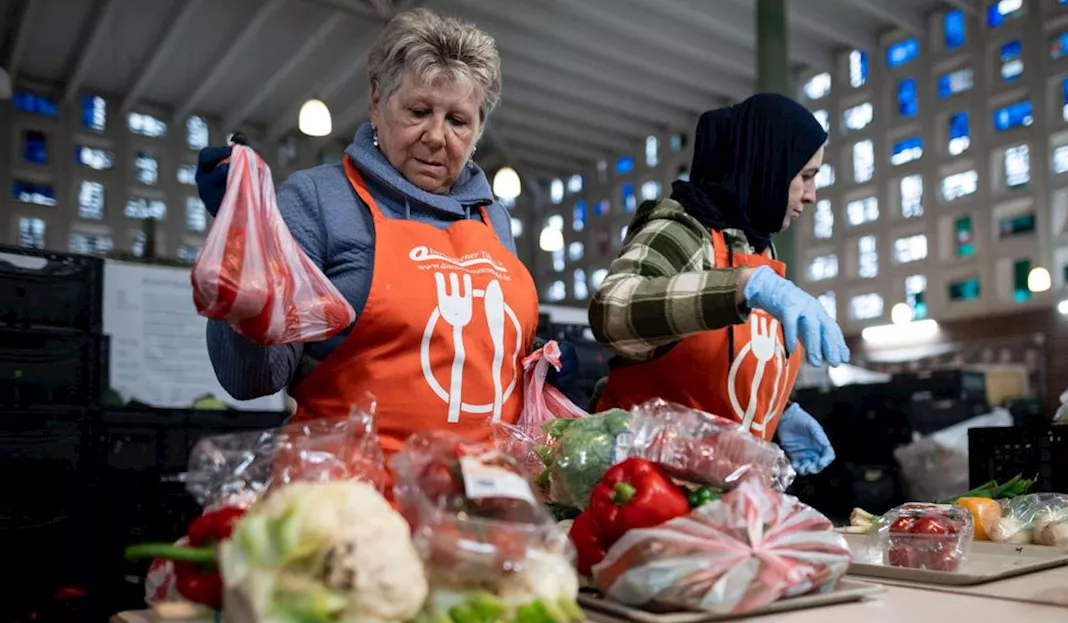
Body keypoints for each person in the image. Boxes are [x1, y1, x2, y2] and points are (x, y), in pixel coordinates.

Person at [197, 9, 548, 451]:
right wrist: (242, 245)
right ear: (377, 101)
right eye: (419, 111)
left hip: (476, 496)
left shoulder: (493, 219)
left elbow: (483, 358)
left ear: (478, 129)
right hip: (352, 496)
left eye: (458, 120)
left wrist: (540, 367)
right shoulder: (318, 199)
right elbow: (252, 378)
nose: (437, 136)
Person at [589, 94, 849, 476]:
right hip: (640, 483)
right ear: (767, 167)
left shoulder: (757, 248)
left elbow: (719, 368)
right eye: (805, 176)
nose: (811, 196)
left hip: (713, 487)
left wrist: (779, 411)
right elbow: (612, 311)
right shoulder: (680, 230)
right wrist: (742, 285)